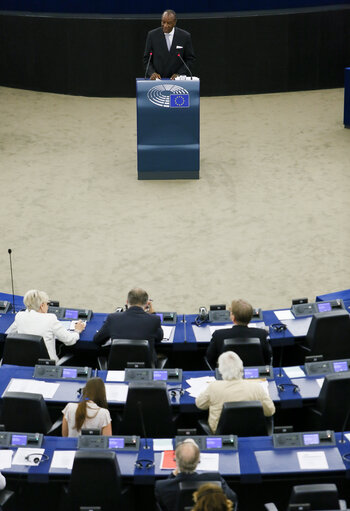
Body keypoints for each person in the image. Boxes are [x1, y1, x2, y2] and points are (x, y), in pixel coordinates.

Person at [196, 351, 275, 433]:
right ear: (241, 367)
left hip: (221, 434)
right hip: (251, 431)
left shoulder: (213, 387)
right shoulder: (257, 387)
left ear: (220, 369)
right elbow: (270, 411)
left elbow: (200, 404)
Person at [155, 438, 237, 511]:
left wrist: (172, 475)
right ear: (198, 460)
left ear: (175, 460)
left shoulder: (161, 487)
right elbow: (232, 499)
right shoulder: (215, 479)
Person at [5, 289, 85, 363]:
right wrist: (77, 331)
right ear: (42, 306)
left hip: (25, 362)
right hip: (49, 365)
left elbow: (9, 333)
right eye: (47, 304)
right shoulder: (50, 318)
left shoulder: (19, 316)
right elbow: (69, 340)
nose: (48, 306)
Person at [93, 287, 163, 363]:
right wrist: (152, 313)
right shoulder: (154, 319)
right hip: (145, 368)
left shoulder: (112, 318)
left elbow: (97, 340)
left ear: (127, 302)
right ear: (147, 304)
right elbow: (159, 338)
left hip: (117, 368)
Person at [206, 299, 272, 367]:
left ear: (233, 317)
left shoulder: (218, 335)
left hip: (227, 375)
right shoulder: (262, 334)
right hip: (255, 375)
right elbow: (267, 359)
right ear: (251, 318)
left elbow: (210, 358)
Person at [143, 10, 196, 80]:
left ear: (175, 22)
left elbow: (190, 59)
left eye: (169, 23)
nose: (165, 25)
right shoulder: (152, 35)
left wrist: (179, 74)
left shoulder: (184, 36)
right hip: (157, 80)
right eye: (163, 22)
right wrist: (152, 73)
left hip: (177, 81)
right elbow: (147, 59)